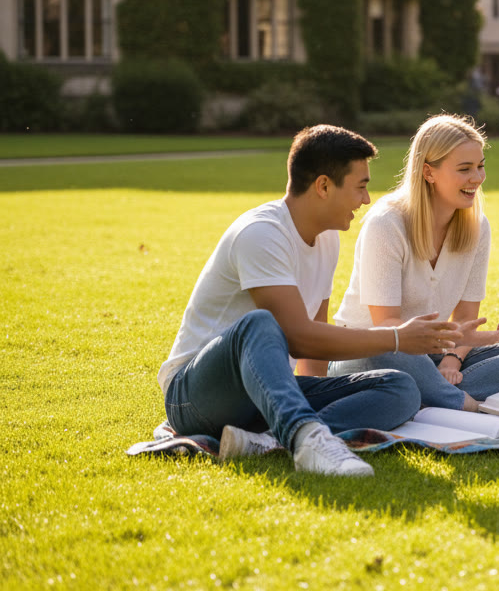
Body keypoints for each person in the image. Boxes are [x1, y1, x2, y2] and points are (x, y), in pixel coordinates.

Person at [158, 125, 464, 477]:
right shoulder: (261, 233)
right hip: (195, 397)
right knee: (259, 324)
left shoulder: (327, 238)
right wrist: (397, 338)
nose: (366, 200)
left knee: (399, 386)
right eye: (360, 186)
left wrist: (318, 388)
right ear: (323, 186)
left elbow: (315, 342)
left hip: (264, 395)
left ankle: (273, 439)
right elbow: (297, 335)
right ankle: (307, 438)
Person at [327, 115, 499, 411]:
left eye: (480, 166)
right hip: (371, 351)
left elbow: (466, 317)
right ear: (429, 173)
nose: (477, 178)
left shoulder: (477, 227)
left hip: (430, 357)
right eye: (464, 169)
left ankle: (422, 394)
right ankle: (459, 403)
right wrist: (454, 340)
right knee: (391, 351)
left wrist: (452, 357)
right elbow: (387, 327)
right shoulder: (387, 224)